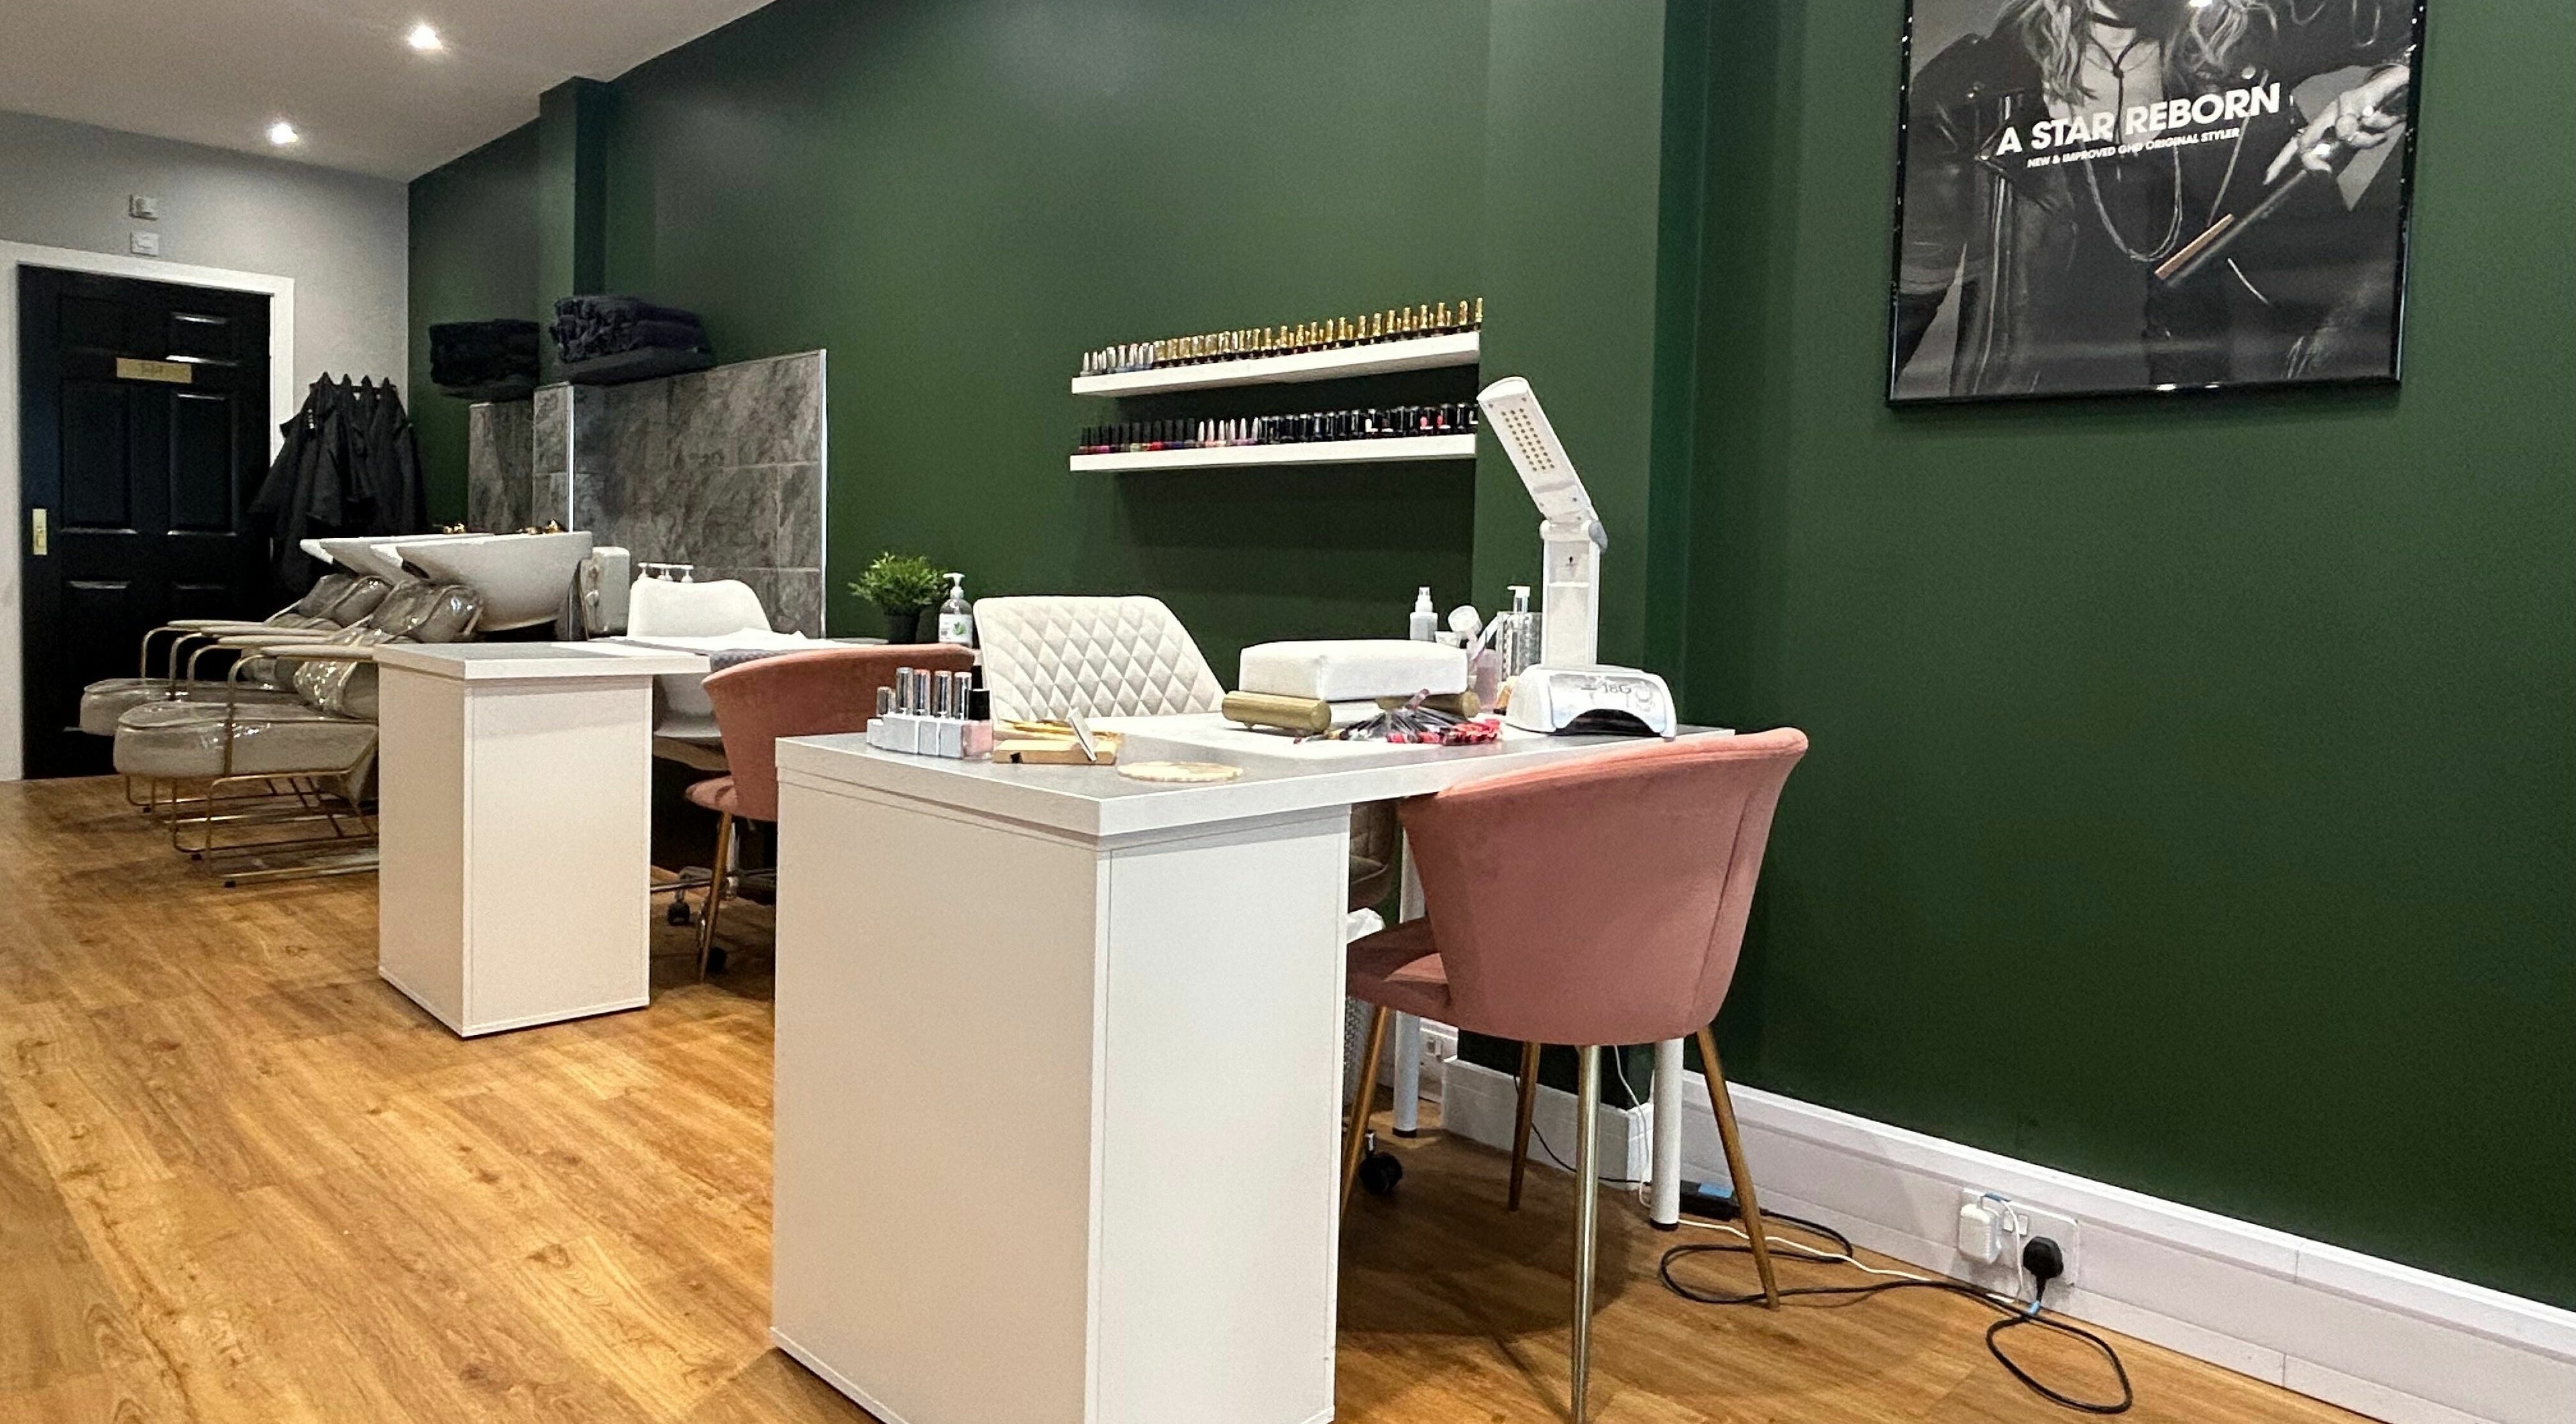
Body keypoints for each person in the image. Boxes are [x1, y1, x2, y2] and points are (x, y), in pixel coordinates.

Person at [1892, 0, 2417, 400]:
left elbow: (2425, 25)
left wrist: (2383, 88)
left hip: (2232, 410)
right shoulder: (1974, 90)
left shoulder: (2254, 38)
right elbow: (1909, 302)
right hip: (2034, 421)